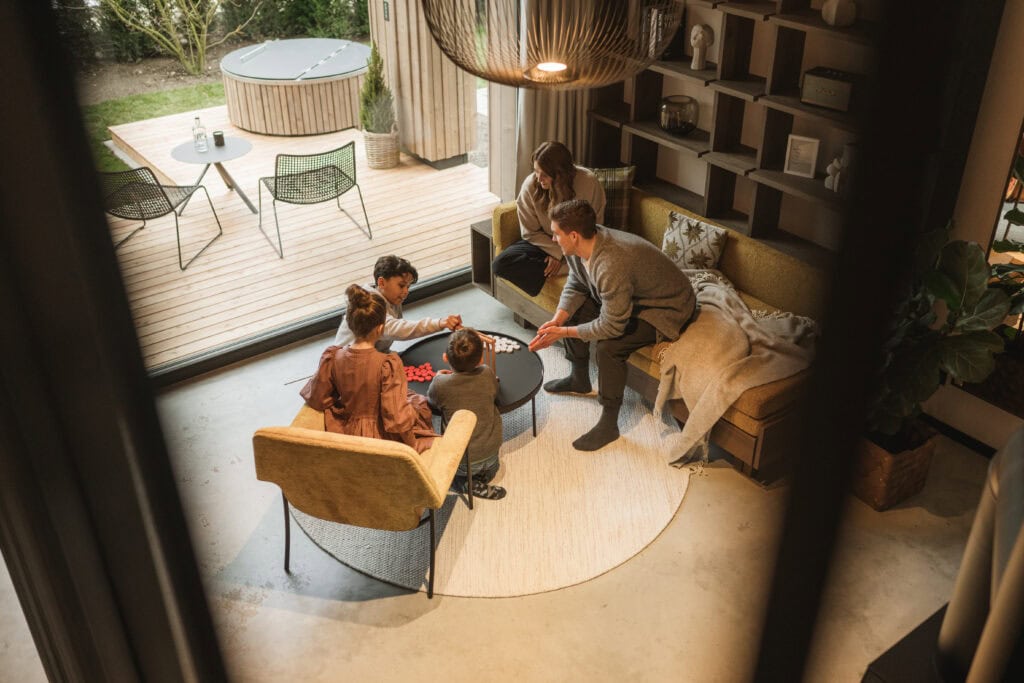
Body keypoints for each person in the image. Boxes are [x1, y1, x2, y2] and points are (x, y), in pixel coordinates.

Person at [528, 199, 696, 452]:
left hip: (664, 308)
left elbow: (612, 326)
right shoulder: (579, 249)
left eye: (556, 234)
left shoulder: (611, 263)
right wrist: (558, 320)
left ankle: (609, 424)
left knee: (609, 348)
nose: (553, 239)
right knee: (572, 313)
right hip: (631, 297)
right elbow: (577, 283)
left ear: (573, 236)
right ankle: (579, 379)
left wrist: (562, 333)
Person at [303, 284, 438, 453]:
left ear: (350, 324)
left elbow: (318, 397)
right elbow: (396, 418)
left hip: (343, 429)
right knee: (420, 404)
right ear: (381, 328)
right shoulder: (387, 364)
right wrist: (412, 445)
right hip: (379, 435)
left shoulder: (332, 356)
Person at [491, 141, 607, 296]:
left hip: (579, 243)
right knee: (501, 264)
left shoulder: (589, 182)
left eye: (544, 174)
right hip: (545, 242)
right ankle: (566, 268)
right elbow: (529, 233)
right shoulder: (530, 186)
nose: (539, 179)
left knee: (597, 262)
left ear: (560, 174)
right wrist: (556, 253)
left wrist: (565, 255)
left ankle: (567, 269)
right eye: (536, 171)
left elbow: (595, 228)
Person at [427, 329, 507, 500]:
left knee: (448, 473)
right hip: (492, 454)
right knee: (489, 469)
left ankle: (465, 484)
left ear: (445, 358)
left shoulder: (440, 384)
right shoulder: (487, 373)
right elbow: (494, 392)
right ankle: (481, 477)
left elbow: (432, 402)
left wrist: (437, 377)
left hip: (462, 461)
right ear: (481, 359)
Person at [334, 255, 461, 350]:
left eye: (408, 286)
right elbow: (398, 329)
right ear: (381, 283)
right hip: (352, 366)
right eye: (401, 286)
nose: (406, 291)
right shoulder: (369, 306)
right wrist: (440, 323)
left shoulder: (392, 298)